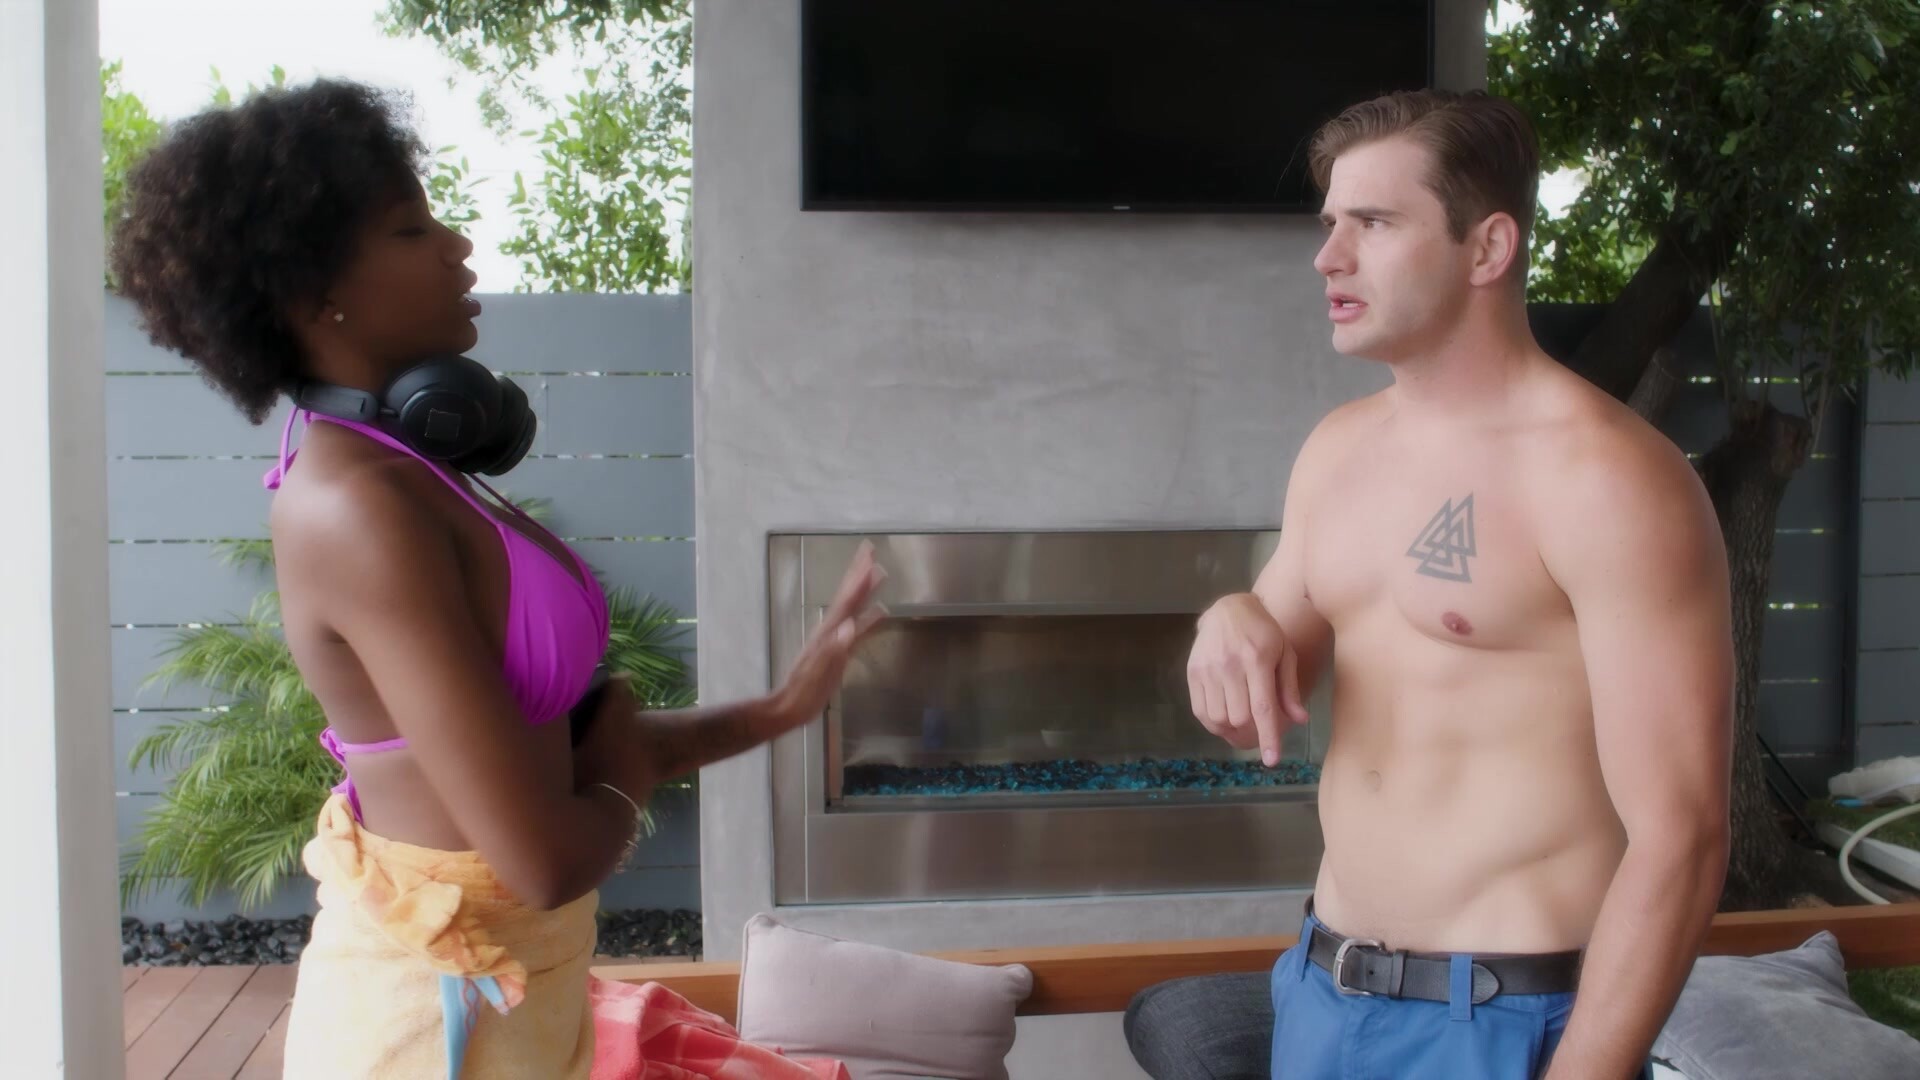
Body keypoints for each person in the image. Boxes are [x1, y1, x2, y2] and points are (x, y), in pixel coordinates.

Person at [111, 79, 879, 1079]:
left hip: (514, 1012)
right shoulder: (358, 509)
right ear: (311, 293)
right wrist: (624, 755)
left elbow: (579, 758)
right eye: (411, 229)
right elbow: (544, 856)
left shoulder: (409, 476)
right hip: (436, 1037)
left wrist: (780, 710)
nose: (458, 246)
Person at [1185, 89, 1734, 1079]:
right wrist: (1230, 616)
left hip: (1500, 1019)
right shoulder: (1337, 451)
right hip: (1320, 993)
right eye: (1330, 224)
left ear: (1487, 249)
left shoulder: (1610, 480)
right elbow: (1248, 713)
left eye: (1373, 223)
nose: (1328, 257)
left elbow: (1683, 837)